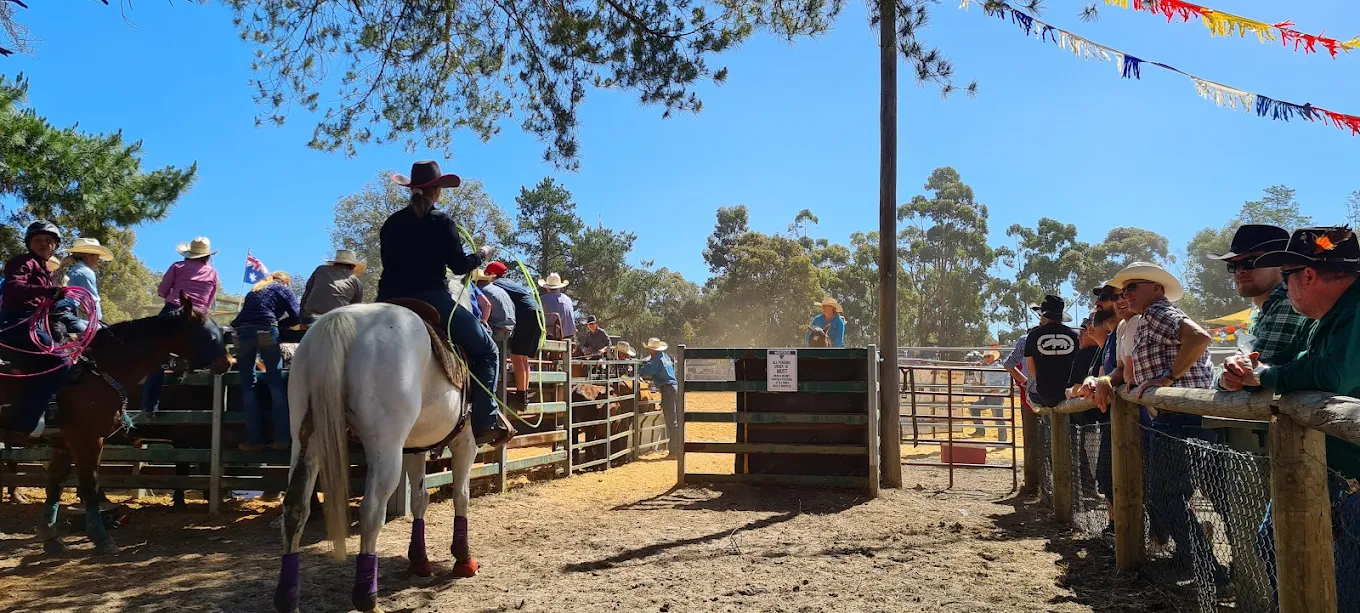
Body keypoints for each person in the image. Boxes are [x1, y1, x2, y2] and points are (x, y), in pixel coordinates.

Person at [1220, 226, 1360, 607]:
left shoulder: (1355, 311)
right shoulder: (1333, 315)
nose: (1285, 287)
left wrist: (1265, 376)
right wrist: (1259, 374)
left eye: (1287, 276)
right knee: (1275, 541)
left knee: (1345, 589)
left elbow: (1332, 374)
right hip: (1332, 470)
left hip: (1351, 478)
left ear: (1308, 275)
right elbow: (1306, 362)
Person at [376, 160, 507, 446]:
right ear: (437, 191)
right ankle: (485, 422)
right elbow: (459, 266)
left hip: (387, 299)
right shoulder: (442, 222)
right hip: (429, 298)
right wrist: (482, 254)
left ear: (412, 189)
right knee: (488, 351)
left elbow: (389, 264)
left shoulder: (391, 223)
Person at [1110, 261, 1226, 581]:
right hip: (1178, 416)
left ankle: (1205, 567)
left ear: (1156, 289)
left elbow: (1199, 338)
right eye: (1124, 290)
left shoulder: (1158, 312)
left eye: (1132, 287)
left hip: (1181, 417)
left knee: (1165, 495)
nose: (1125, 294)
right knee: (1171, 494)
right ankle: (1199, 562)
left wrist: (1168, 378)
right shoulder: (1149, 316)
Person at [0, 221, 70, 440]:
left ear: (55, 246)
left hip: (34, 322)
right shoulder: (22, 262)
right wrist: (47, 290)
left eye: (49, 241)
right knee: (61, 362)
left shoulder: (45, 269)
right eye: (38, 240)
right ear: (29, 244)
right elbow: (13, 286)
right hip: (18, 322)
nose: (43, 244)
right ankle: (26, 421)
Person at [141, 237, 221, 413]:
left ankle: (150, 406)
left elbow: (162, 291)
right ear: (207, 256)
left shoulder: (178, 267)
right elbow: (208, 301)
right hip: (197, 316)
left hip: (174, 310)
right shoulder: (213, 274)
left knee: (156, 354)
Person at [230, 272, 300, 451]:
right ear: (285, 281)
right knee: (275, 384)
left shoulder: (254, 290)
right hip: (266, 329)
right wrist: (281, 325)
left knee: (248, 386)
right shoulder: (282, 289)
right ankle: (282, 438)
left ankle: (255, 440)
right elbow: (297, 315)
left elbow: (240, 318)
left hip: (241, 333)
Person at [485, 262, 545, 405]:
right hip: (537, 313)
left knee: (516, 357)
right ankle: (523, 395)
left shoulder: (495, 285)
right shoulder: (511, 283)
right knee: (523, 358)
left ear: (491, 274)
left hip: (526, 315)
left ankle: (521, 396)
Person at [1022, 295, 1078, 408]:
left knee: (1033, 398)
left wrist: (1042, 383)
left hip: (1045, 393)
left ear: (1043, 315)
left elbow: (1031, 367)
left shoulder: (1033, 336)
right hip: (1070, 392)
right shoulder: (1074, 335)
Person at [57, 237, 114, 333]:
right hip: (65, 313)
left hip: (58, 312)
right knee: (99, 334)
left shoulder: (69, 269)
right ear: (88, 256)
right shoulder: (85, 272)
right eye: (97, 258)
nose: (97, 262)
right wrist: (98, 323)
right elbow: (92, 301)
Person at [638, 338, 679, 457]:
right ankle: (676, 448)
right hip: (672, 387)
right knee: (674, 419)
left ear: (652, 350)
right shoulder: (664, 357)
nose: (649, 351)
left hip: (667, 389)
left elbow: (647, 371)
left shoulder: (657, 360)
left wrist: (637, 370)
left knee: (671, 421)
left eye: (649, 349)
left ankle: (675, 450)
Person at [300, 249, 365, 320]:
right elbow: (355, 310)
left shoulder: (320, 270)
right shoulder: (357, 283)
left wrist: (302, 319)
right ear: (353, 266)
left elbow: (306, 295)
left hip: (311, 316)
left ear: (335, 263)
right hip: (337, 319)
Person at [968, 351, 1010, 442]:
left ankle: (1002, 440)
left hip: (996, 397)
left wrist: (1000, 389)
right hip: (988, 395)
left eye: (988, 356)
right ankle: (980, 431)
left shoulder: (999, 368)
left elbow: (1009, 378)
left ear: (993, 357)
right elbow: (980, 380)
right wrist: (978, 369)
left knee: (998, 419)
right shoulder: (987, 368)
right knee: (973, 408)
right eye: (985, 357)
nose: (986, 359)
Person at [474, 266, 516, 344]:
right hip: (509, 330)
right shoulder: (500, 290)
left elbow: (484, 307)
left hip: (497, 330)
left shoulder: (481, 291)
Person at [538, 272, 575, 341]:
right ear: (559, 287)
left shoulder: (542, 300)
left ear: (547, 288)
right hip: (569, 336)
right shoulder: (568, 299)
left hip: (550, 336)